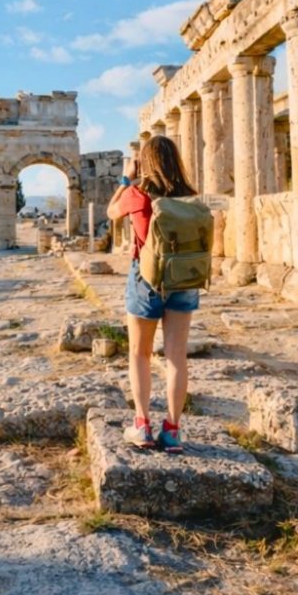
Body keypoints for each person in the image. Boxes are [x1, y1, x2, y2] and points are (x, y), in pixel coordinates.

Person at [106, 135, 199, 454]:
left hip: (146, 278)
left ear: (144, 162)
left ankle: (142, 424)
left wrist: (125, 180)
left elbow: (110, 212)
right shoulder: (190, 196)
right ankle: (172, 431)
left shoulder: (137, 193)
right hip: (184, 276)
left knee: (139, 353)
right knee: (176, 356)